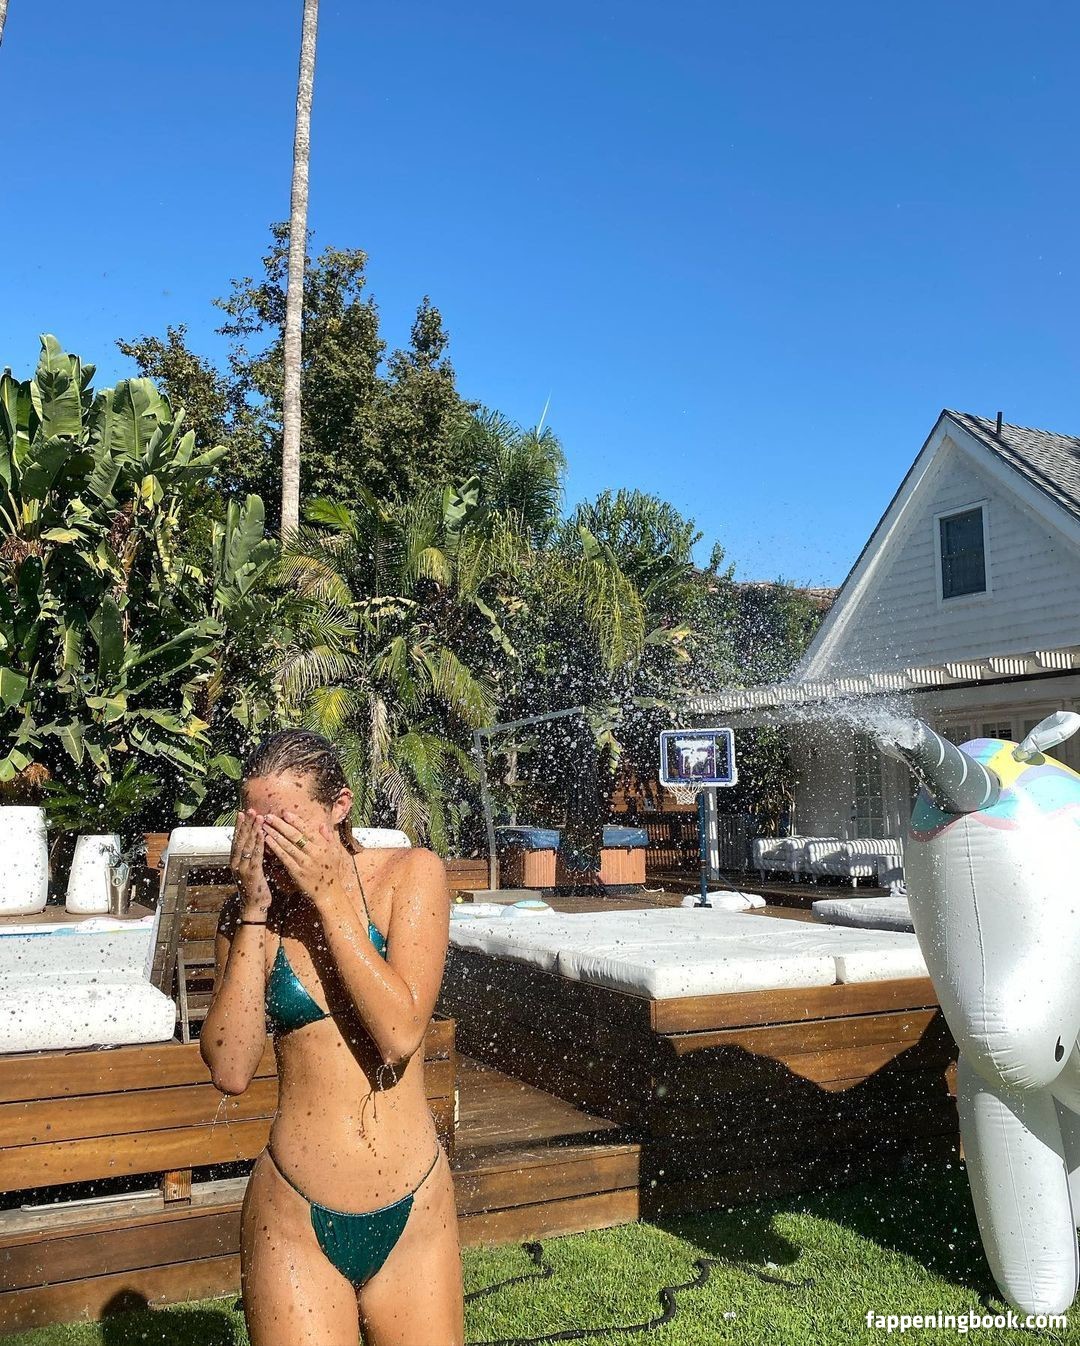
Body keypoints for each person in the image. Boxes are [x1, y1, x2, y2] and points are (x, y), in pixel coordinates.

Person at [200, 729, 464, 1345]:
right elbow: (231, 1069)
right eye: (257, 828)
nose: (272, 846)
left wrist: (330, 899)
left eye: (288, 827)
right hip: (293, 1214)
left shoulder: (410, 875)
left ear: (339, 806)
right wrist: (254, 911)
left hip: (414, 1210)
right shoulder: (249, 915)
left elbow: (399, 1034)